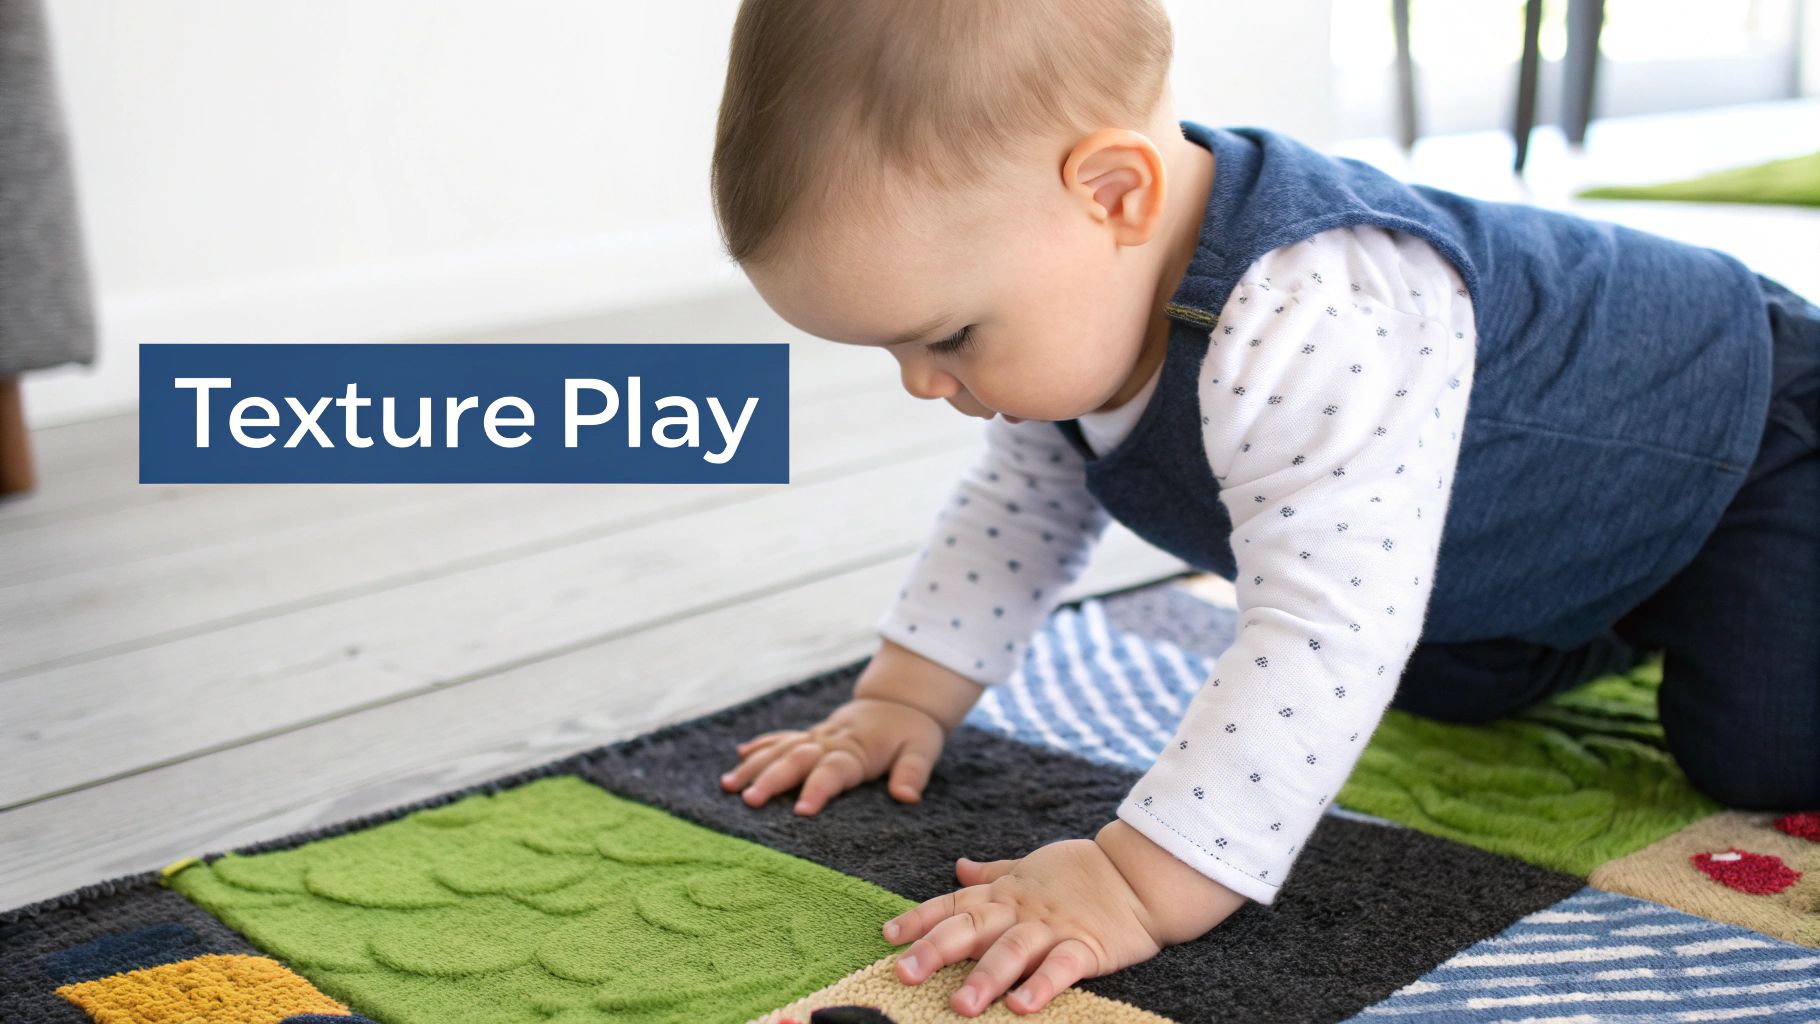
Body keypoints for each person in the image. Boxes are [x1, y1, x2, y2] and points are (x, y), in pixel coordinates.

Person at [709, 0, 1820, 1016]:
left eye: (946, 336)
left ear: (1111, 196)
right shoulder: (1076, 300)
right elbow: (1018, 509)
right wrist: (902, 697)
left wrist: (1136, 880)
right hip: (1545, 525)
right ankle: (1616, 610)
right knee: (1435, 674)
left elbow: (1322, 622)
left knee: (1757, 745)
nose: (921, 381)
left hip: (1752, 438)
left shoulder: (1306, 306)